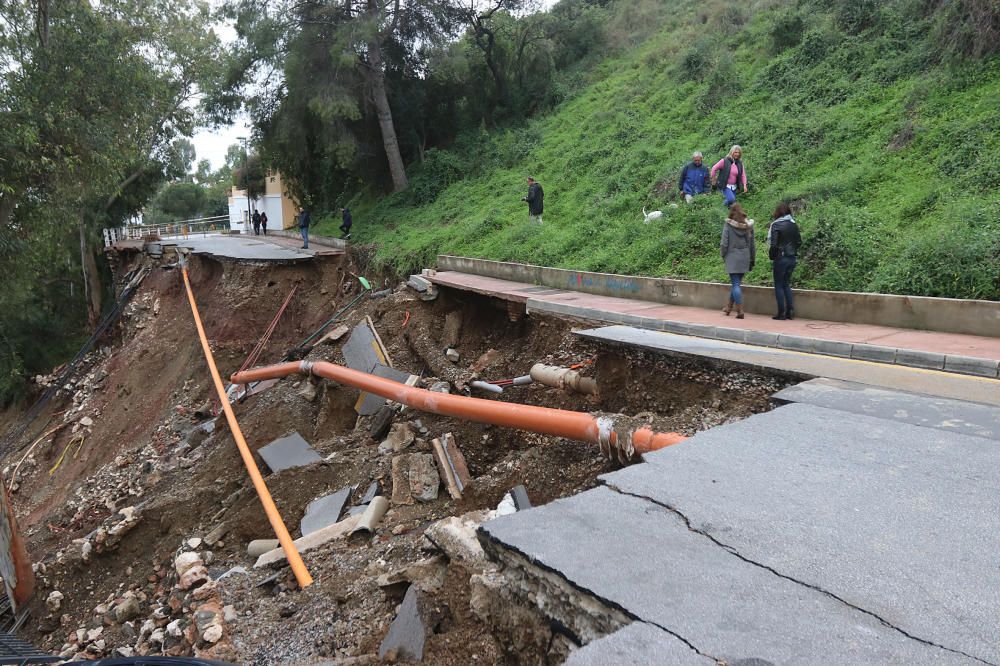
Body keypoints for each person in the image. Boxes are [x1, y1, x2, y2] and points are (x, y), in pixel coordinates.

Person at [720, 203, 755, 319]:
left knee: (735, 284)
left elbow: (724, 243)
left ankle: (740, 310)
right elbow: (751, 244)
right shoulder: (748, 225)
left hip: (732, 256)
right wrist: (752, 258)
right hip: (745, 256)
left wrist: (723, 255)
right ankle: (729, 307)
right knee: (737, 284)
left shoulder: (728, 224)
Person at [768, 202, 801, 320]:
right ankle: (790, 311)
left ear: (778, 212)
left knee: (778, 285)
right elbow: (799, 242)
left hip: (781, 258)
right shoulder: (794, 224)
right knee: (786, 284)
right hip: (792, 258)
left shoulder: (776, 225)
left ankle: (781, 312)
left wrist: (772, 256)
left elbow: (774, 244)